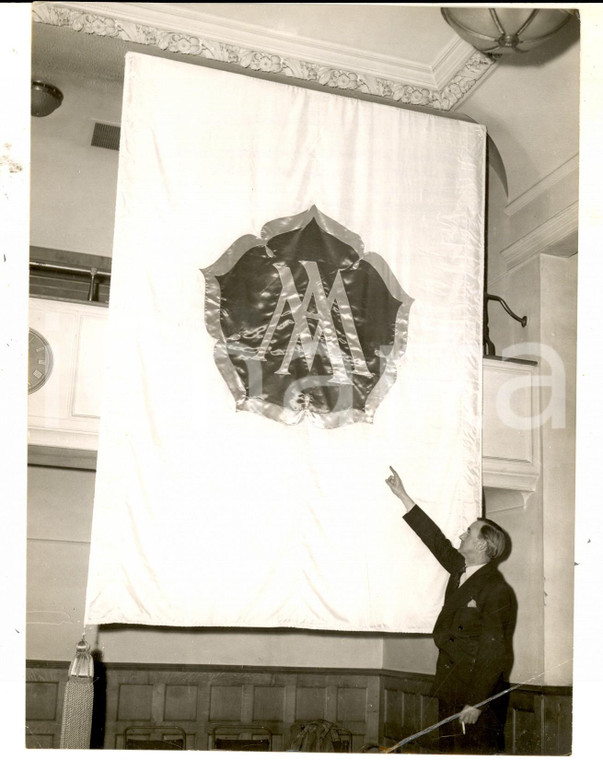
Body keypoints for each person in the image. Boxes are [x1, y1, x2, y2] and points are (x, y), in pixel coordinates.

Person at [385, 466, 517, 754]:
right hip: (451, 687)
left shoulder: (496, 589)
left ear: (480, 545)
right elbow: (435, 540)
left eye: (468, 533)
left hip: (477, 697)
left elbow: (494, 654)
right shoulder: (461, 569)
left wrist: (476, 703)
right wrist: (404, 497)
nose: (461, 535)